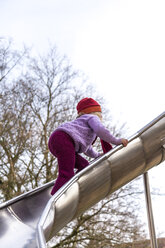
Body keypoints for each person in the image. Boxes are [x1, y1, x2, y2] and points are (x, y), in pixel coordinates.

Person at [48, 97, 128, 195]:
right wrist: (116, 141)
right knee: (66, 173)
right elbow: (100, 130)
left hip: (57, 141)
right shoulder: (92, 118)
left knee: (84, 165)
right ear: (97, 113)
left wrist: (97, 155)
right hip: (64, 139)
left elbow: (87, 148)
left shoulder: (82, 126)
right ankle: (55, 197)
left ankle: (72, 187)